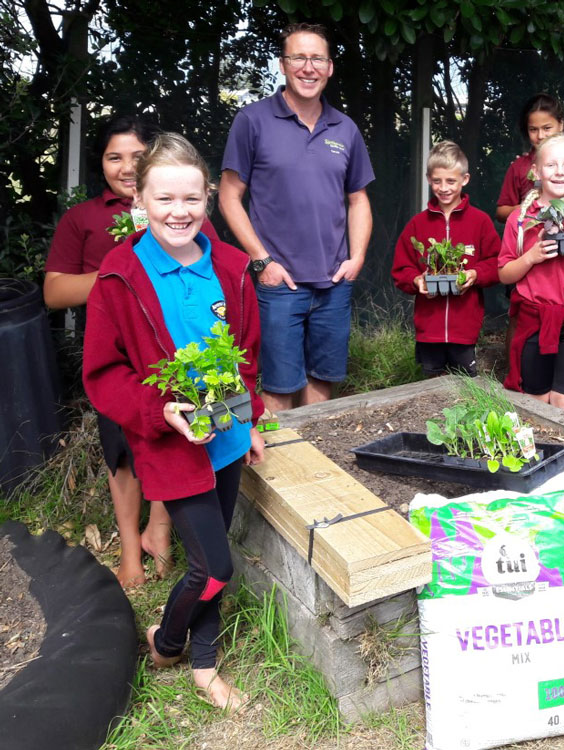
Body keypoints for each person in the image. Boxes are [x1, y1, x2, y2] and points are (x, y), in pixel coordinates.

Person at [82, 132, 265, 711]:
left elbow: (249, 356)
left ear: (208, 198)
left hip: (227, 436)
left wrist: (250, 418)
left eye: (191, 199)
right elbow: (103, 373)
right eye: (164, 199)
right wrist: (156, 410)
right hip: (169, 443)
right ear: (140, 199)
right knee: (215, 566)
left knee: (211, 565)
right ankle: (167, 641)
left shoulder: (233, 268)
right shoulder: (119, 274)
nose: (178, 212)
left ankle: (203, 667)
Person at [44, 114, 216, 588]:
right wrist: (123, 273)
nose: (124, 166)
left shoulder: (180, 209)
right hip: (116, 354)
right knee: (121, 451)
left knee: (169, 434)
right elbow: (55, 292)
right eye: (113, 156)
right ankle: (128, 546)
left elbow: (214, 266)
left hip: (174, 354)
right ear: (100, 162)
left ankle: (159, 531)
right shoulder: (84, 218)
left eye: (136, 156)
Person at [219, 22, 374, 414]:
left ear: (330, 67)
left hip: (334, 283)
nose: (308, 67)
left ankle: (316, 471)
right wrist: (262, 261)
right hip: (278, 284)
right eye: (299, 58)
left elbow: (358, 200)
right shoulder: (253, 121)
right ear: (283, 65)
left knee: (322, 382)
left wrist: (356, 260)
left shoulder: (346, 128)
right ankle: (281, 473)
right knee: (278, 386)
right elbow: (229, 197)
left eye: (317, 58)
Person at [498, 134, 564, 415]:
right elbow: (505, 275)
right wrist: (531, 257)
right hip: (534, 320)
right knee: (537, 399)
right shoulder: (520, 220)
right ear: (536, 171)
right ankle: (538, 455)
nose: (559, 171)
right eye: (551, 165)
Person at [391, 141, 500, 377]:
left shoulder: (480, 222)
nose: (444, 188)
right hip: (428, 329)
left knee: (466, 388)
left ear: (465, 179)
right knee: (430, 388)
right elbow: (401, 268)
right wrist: (417, 281)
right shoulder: (417, 224)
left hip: (465, 329)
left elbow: (496, 262)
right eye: (437, 181)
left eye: (451, 181)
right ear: (429, 179)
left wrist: (475, 274)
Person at [495, 93, 564, 223]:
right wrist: (524, 207)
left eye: (547, 128)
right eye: (533, 129)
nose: (540, 135)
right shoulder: (519, 166)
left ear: (561, 125)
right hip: (528, 238)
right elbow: (501, 213)